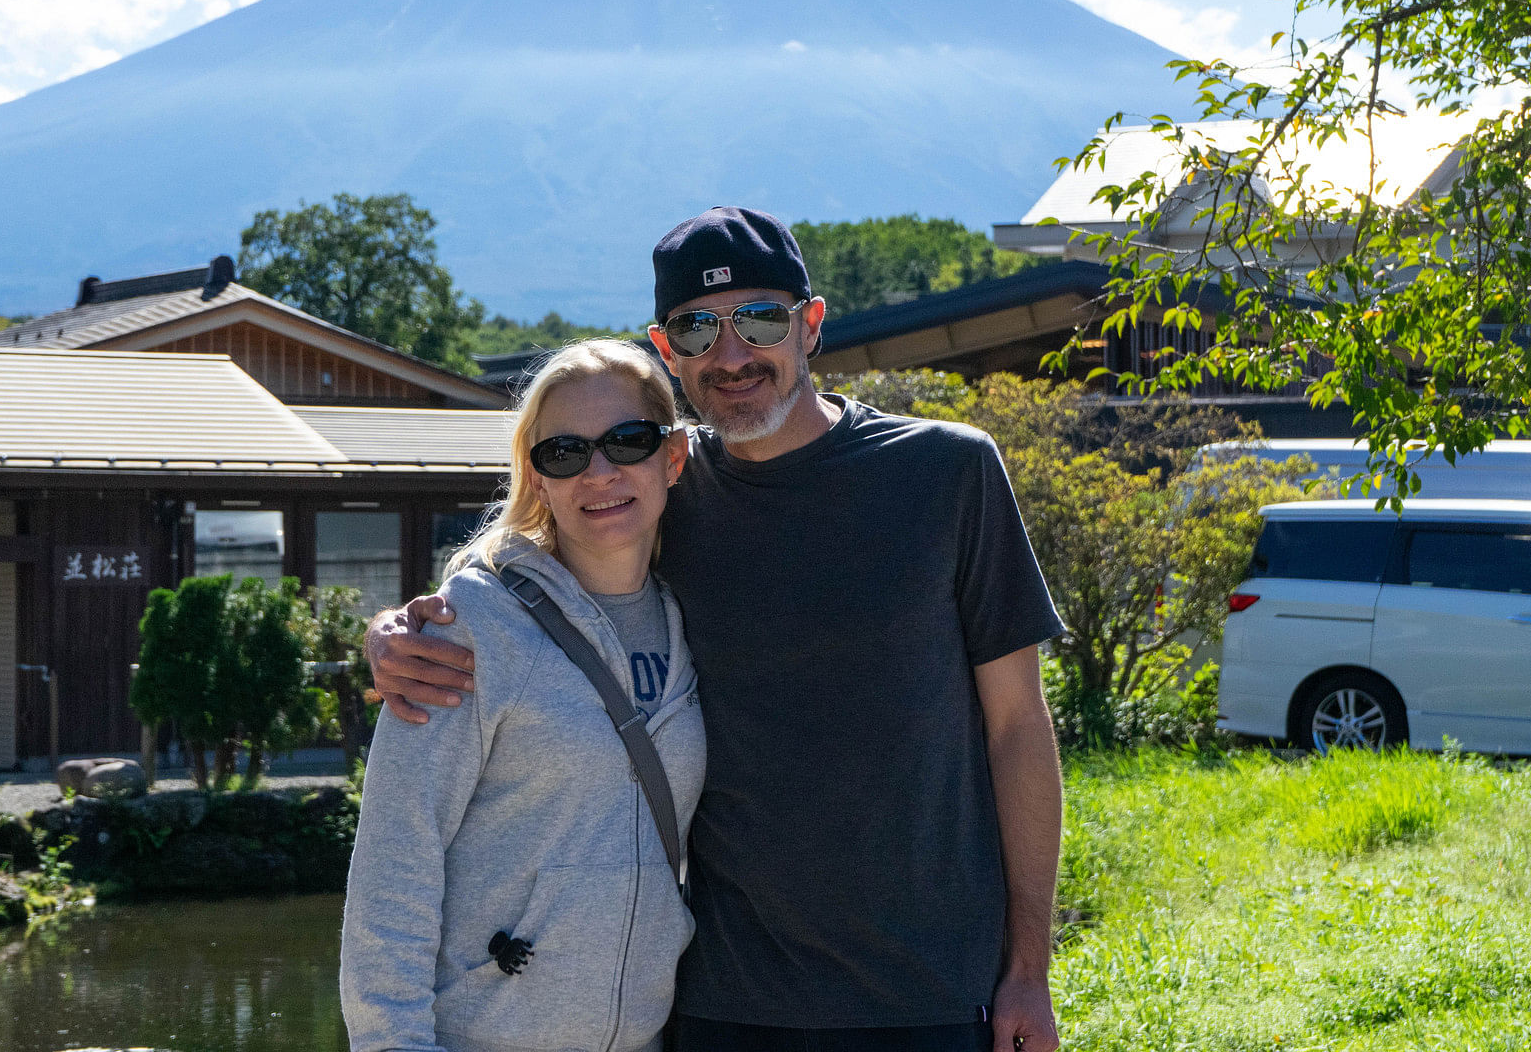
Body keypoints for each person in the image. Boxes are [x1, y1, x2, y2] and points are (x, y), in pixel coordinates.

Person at [369, 208, 1067, 1052]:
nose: (731, 355)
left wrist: (1028, 967)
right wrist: (400, 627)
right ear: (668, 351)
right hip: (721, 1003)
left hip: (928, 994)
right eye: (698, 328)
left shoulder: (947, 472)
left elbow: (1020, 729)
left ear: (810, 325)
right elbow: (532, 552)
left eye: (759, 320)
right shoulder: (661, 480)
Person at [341, 338, 706, 1052]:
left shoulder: (702, 617)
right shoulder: (470, 626)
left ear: (673, 456)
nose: (599, 473)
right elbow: (395, 864)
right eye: (564, 453)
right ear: (537, 479)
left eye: (627, 442)